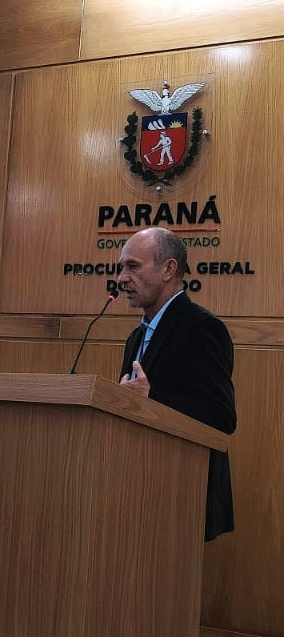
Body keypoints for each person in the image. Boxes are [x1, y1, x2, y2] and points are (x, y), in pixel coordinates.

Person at [117, 226, 236, 541]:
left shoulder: (202, 328)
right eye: (122, 267)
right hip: (134, 489)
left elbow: (221, 416)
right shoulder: (136, 336)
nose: (122, 278)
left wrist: (150, 397)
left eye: (133, 266)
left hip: (181, 496)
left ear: (168, 269)